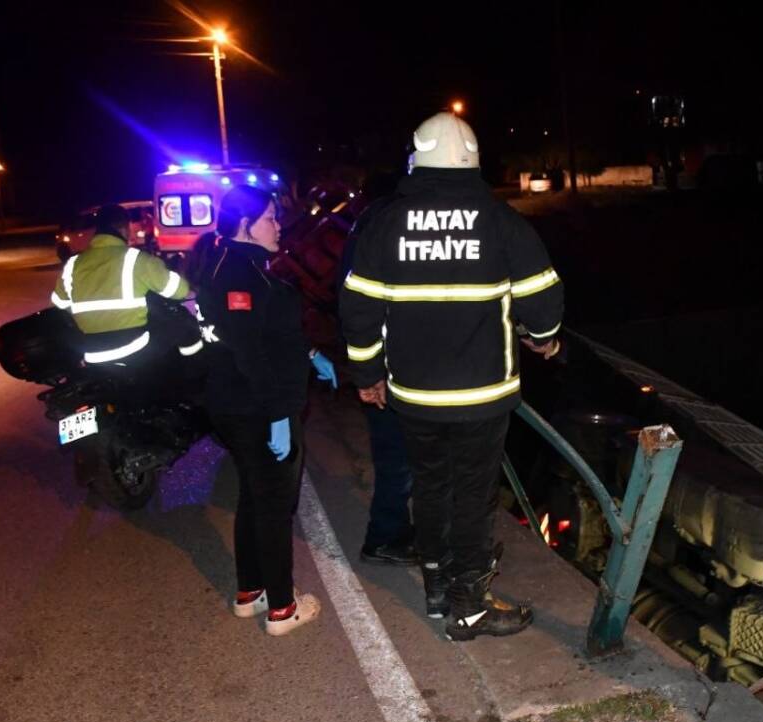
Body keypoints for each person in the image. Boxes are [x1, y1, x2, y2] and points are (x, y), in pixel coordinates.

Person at [340, 112, 564, 641]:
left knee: (432, 486)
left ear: (416, 160)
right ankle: (469, 607)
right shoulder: (501, 221)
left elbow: (358, 310)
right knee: (473, 494)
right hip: (483, 397)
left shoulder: (385, 223)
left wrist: (367, 373)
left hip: (413, 395)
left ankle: (438, 584)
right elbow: (544, 304)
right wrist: (543, 338)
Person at [188, 185, 338, 636]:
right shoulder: (241, 274)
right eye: (271, 217)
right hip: (256, 406)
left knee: (255, 497)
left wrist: (310, 353)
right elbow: (249, 350)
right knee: (274, 503)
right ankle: (282, 609)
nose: (279, 225)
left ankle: (250, 591)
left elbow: (268, 333)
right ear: (244, 225)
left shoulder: (233, 265)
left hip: (235, 405)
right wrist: (277, 413)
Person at [336, 172, 416, 567]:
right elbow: (367, 306)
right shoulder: (388, 224)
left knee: (396, 454)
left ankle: (395, 531)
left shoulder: (366, 224)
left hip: (381, 361)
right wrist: (372, 372)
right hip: (391, 364)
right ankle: (384, 537)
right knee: (396, 456)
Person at [50, 204, 200, 365]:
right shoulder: (137, 259)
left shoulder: (73, 264)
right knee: (183, 323)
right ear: (124, 228)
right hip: (132, 347)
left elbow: (59, 302)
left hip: (91, 349)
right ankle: (193, 374)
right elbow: (181, 291)